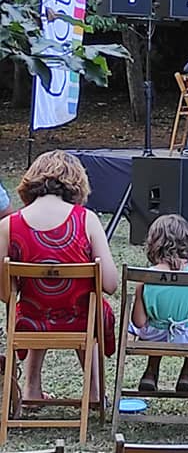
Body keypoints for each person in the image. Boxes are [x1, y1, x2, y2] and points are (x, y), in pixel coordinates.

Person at [0, 150, 119, 404]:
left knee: (34, 305)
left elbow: (4, 293)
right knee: (93, 307)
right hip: (80, 320)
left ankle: (31, 389)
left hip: (32, 322)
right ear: (76, 182)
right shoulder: (86, 220)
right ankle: (95, 393)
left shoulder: (9, 225)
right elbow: (110, 284)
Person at [130, 214, 188, 394]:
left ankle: (151, 371)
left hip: (155, 338)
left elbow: (139, 322)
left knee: (154, 327)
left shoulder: (145, 277)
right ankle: (187, 372)